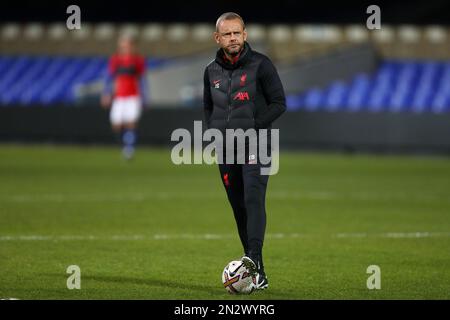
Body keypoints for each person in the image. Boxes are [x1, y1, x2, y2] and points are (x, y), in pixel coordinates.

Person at [203, 12, 286, 290]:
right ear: (218, 38)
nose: (233, 38)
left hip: (257, 144)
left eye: (237, 33)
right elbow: (209, 107)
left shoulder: (261, 65)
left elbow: (279, 103)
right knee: (239, 208)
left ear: (245, 34)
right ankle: (257, 270)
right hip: (225, 149)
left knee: (253, 199)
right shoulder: (210, 71)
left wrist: (254, 125)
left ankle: (251, 258)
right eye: (227, 34)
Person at [101, 36, 147, 160]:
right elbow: (109, 77)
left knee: (131, 123)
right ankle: (126, 145)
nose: (124, 48)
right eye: (122, 46)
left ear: (132, 46)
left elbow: (142, 80)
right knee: (116, 125)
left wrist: (144, 96)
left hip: (133, 96)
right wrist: (106, 93)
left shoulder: (138, 60)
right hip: (119, 97)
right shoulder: (115, 60)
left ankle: (129, 149)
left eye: (127, 45)